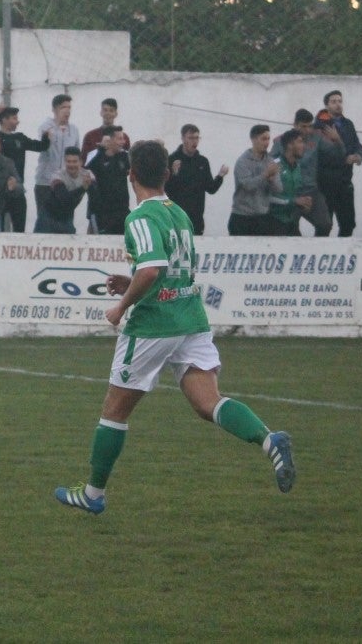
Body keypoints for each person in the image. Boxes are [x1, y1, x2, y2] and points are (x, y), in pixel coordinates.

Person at [54, 140, 296, 515]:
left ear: (131, 175)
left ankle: (93, 494)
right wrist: (131, 279)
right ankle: (269, 439)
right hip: (191, 318)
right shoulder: (179, 214)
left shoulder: (140, 217)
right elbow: (162, 268)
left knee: (114, 411)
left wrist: (121, 306)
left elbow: (151, 269)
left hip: (155, 324)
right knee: (208, 403)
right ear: (167, 174)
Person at [0, 105, 48, 232]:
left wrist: (46, 136)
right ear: (4, 120)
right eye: (14, 118)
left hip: (17, 189)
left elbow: (40, 146)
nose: (17, 121)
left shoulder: (20, 138)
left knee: (19, 229)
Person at [271, 109, 332, 236]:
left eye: (310, 126)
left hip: (311, 190)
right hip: (290, 191)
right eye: (303, 126)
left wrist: (337, 141)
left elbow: (335, 155)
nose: (307, 130)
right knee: (290, 228)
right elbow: (271, 162)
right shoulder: (281, 140)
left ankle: (317, 252)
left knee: (325, 224)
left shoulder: (317, 137)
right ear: (295, 124)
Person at [164, 124, 227, 235]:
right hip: (176, 218)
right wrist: (174, 174)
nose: (194, 141)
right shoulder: (172, 160)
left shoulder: (202, 161)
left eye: (197, 138)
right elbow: (167, 190)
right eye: (191, 138)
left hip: (196, 219)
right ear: (183, 139)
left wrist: (220, 176)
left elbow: (210, 188)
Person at [318, 90, 362, 236]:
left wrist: (358, 155)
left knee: (348, 223)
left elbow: (357, 144)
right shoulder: (320, 126)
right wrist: (344, 158)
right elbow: (322, 153)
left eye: (340, 101)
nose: (338, 105)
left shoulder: (348, 123)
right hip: (327, 182)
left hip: (345, 181)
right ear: (327, 105)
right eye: (334, 102)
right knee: (325, 224)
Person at [33, 95, 79, 233]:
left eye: (69, 107)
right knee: (45, 223)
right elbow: (45, 144)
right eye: (63, 107)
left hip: (65, 185)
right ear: (54, 109)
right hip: (45, 183)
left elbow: (76, 153)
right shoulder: (46, 126)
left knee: (66, 223)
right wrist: (56, 128)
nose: (67, 111)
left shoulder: (74, 130)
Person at [227, 124, 283, 236]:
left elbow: (279, 189)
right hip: (242, 217)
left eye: (268, 139)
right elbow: (248, 186)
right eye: (263, 139)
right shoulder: (242, 162)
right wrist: (265, 175)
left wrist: (272, 180)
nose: (266, 143)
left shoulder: (270, 161)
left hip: (263, 217)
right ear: (253, 139)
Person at [86, 127, 131, 235]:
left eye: (123, 139)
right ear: (109, 140)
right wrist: (101, 150)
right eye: (119, 139)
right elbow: (88, 171)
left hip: (122, 212)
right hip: (102, 215)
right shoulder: (96, 158)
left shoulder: (124, 157)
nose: (123, 142)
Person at [41, 147, 95, 234]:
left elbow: (96, 197)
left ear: (81, 162)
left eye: (74, 161)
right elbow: (65, 200)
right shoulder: (57, 176)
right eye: (68, 161)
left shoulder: (87, 175)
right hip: (48, 216)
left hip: (67, 216)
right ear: (64, 162)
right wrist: (83, 188)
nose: (71, 165)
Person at [268, 129, 311, 236]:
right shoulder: (274, 165)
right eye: (300, 142)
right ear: (290, 145)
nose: (303, 146)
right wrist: (294, 201)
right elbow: (266, 197)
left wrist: (304, 204)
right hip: (273, 223)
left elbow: (296, 194)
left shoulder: (298, 168)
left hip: (291, 222)